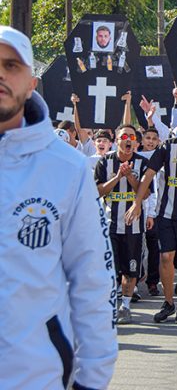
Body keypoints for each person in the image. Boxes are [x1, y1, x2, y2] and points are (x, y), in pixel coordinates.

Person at [0, 25, 118, 388]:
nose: (0, 74)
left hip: (32, 375)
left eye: (12, 66)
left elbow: (93, 280)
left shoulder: (66, 168)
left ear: (32, 83)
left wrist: (92, 378)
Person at [125, 116, 177, 324]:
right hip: (166, 213)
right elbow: (148, 175)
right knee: (165, 257)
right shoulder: (167, 147)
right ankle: (168, 302)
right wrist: (137, 202)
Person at [94, 124, 153, 325]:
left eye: (132, 137)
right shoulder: (104, 162)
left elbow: (145, 194)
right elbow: (98, 192)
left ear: (136, 142)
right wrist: (118, 177)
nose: (128, 140)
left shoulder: (143, 163)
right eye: (123, 136)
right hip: (110, 225)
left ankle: (125, 306)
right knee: (108, 269)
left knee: (130, 270)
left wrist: (130, 178)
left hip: (133, 227)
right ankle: (109, 305)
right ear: (116, 140)